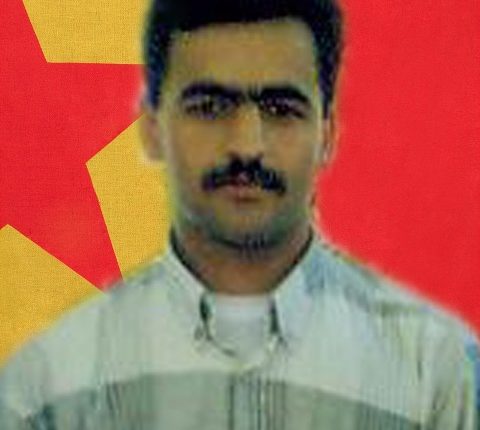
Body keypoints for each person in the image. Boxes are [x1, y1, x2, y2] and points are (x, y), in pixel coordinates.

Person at [0, 0, 478, 428]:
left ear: (328, 133)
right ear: (150, 128)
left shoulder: (435, 374)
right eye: (210, 107)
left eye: (281, 109)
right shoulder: (49, 389)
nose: (247, 146)